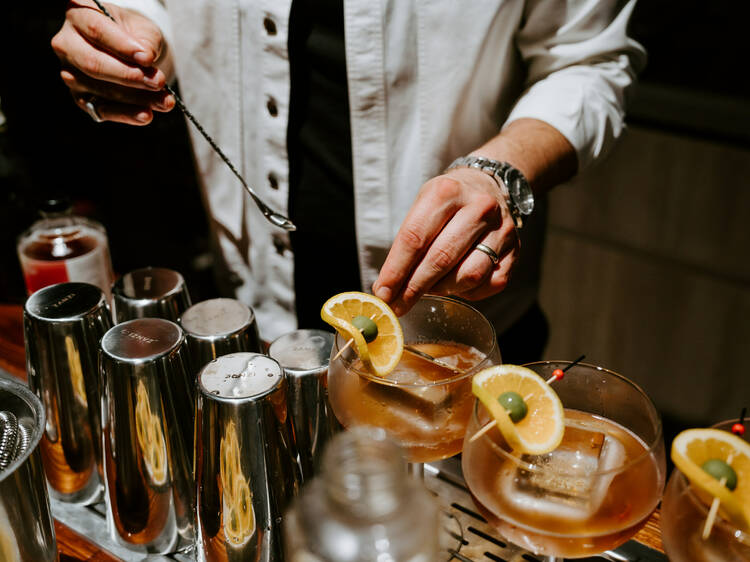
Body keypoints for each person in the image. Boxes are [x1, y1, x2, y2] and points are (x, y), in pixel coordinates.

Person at [51, 0, 645, 362]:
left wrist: (504, 166)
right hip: (253, 323)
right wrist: (126, 38)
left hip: (451, 339)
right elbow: (153, 5)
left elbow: (588, 59)